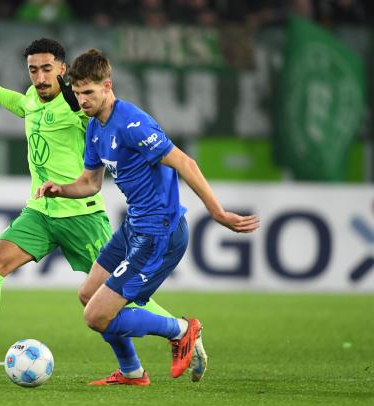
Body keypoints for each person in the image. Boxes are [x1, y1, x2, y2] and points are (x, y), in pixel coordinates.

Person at [0, 38, 201, 384]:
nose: (39, 77)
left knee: (116, 296)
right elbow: (18, 103)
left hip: (82, 215)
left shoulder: (81, 106)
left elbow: (99, 122)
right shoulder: (33, 99)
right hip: (41, 212)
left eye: (47, 69)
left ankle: (183, 333)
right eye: (33, 70)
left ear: (62, 69)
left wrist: (77, 104)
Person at [35, 49, 259, 383]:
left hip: (159, 231)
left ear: (107, 86)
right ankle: (132, 372)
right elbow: (90, 183)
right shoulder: (96, 129)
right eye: (78, 92)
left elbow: (185, 163)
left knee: (96, 316)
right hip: (134, 226)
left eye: (89, 92)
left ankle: (182, 329)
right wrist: (61, 189)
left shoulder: (133, 124)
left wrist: (218, 213)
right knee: (87, 294)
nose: (82, 100)